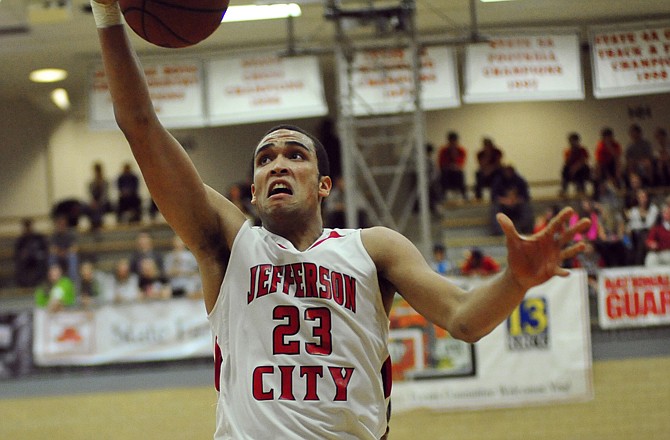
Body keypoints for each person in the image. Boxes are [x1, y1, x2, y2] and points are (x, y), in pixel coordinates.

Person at [90, 2, 591, 437]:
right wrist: (108, 14)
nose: (278, 165)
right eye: (265, 160)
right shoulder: (226, 243)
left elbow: (464, 318)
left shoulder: (374, 249)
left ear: (324, 184)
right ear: (255, 190)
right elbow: (140, 126)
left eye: (294, 155)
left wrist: (516, 280)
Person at [489, 164, 534, 235]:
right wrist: (505, 200)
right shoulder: (498, 180)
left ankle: (524, 231)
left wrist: (515, 200)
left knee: (527, 208)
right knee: (495, 208)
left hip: (517, 205)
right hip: (503, 205)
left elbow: (525, 196)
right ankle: (499, 233)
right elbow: (494, 197)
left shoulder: (519, 180)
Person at [14, 218, 49, 288]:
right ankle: (23, 285)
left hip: (37, 258)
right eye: (26, 227)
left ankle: (39, 283)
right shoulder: (21, 239)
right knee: (20, 263)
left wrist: (39, 253)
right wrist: (22, 254)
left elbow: (45, 248)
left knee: (41, 261)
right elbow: (17, 253)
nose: (28, 229)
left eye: (29, 226)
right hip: (26, 259)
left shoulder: (39, 237)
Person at [437, 131, 468, 201]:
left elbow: (461, 163)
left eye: (455, 140)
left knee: (460, 173)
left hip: (456, 172)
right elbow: (441, 163)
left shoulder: (461, 150)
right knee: (444, 173)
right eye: (451, 141)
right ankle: (443, 195)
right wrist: (449, 165)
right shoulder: (443, 150)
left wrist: (455, 157)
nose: (453, 143)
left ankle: (464, 194)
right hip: (447, 171)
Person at [560, 132, 591, 197]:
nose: (573, 143)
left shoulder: (582, 150)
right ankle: (564, 189)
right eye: (571, 141)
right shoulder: (568, 151)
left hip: (580, 171)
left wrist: (575, 168)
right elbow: (567, 162)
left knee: (584, 169)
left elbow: (584, 161)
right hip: (571, 171)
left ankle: (582, 190)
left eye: (574, 141)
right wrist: (572, 152)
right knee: (565, 168)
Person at [593, 127, 622, 192]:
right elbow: (599, 161)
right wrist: (608, 176)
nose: (607, 139)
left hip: (613, 165)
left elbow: (617, 157)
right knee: (598, 167)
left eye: (609, 137)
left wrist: (609, 146)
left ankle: (618, 187)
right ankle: (598, 189)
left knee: (617, 164)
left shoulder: (616, 145)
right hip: (603, 166)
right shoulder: (600, 145)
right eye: (605, 137)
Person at [85, 161, 112, 231]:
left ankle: (97, 225)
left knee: (98, 208)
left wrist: (98, 203)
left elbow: (105, 196)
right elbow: (90, 195)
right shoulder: (91, 183)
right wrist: (93, 202)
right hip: (94, 203)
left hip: (104, 203)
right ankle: (95, 224)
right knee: (88, 208)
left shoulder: (105, 182)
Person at [644, 202, 670, 267]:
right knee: (650, 257)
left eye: (668, 213)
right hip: (659, 253)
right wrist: (651, 244)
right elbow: (649, 240)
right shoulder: (657, 228)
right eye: (665, 212)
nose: (666, 214)